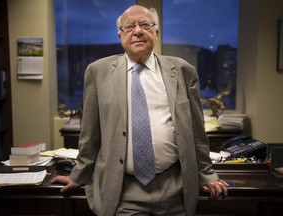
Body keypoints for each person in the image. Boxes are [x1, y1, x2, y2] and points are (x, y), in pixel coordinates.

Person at [51, 5, 229, 216]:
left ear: (156, 32)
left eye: (145, 24)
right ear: (120, 35)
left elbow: (197, 132)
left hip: (175, 187)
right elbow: (90, 134)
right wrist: (78, 176)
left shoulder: (183, 70)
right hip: (123, 190)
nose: (137, 31)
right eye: (129, 27)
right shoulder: (98, 72)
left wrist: (206, 174)